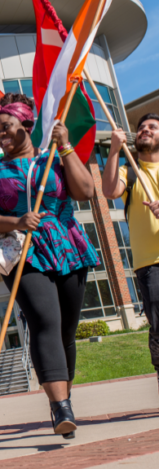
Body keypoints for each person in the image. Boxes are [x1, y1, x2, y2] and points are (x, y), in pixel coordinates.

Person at [0, 93, 99, 439]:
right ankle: (61, 408)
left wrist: (66, 147)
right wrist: (16, 221)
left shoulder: (52, 160)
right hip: (24, 253)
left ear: (26, 125)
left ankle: (64, 397)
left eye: (6, 127)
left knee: (65, 331)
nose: (1, 135)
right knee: (45, 320)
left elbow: (86, 191)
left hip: (67, 247)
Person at [101, 113, 159, 385]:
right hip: (150, 265)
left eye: (152, 127)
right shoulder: (130, 172)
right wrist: (113, 149)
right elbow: (110, 191)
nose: (145, 130)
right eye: (142, 128)